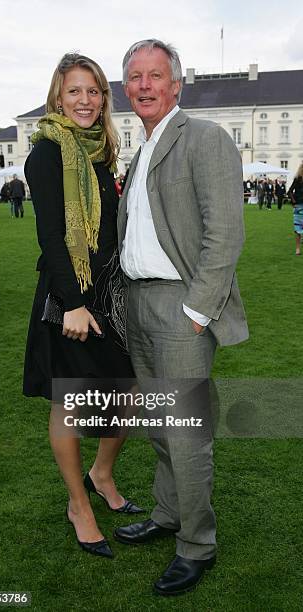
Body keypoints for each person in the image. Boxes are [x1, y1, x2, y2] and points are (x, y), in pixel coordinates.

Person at [114, 39, 249, 596]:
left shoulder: (205, 138)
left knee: (187, 435)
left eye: (155, 75)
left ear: (176, 84)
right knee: (160, 430)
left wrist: (197, 311)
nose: (145, 85)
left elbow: (226, 235)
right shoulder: (141, 147)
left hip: (181, 308)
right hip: (139, 305)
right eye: (136, 77)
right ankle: (168, 514)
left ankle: (197, 544)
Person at [23, 52, 142, 560]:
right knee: (69, 403)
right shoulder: (48, 152)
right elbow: (51, 234)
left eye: (93, 91)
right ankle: (80, 504)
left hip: (109, 294)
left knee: (130, 393)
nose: (85, 100)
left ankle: (102, 473)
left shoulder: (101, 152)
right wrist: (72, 302)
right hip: (68, 297)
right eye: (75, 90)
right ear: (58, 95)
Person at [288, 163, 303, 255]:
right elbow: (289, 191)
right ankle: (297, 249)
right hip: (299, 207)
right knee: (298, 228)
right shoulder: (297, 179)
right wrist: (293, 202)